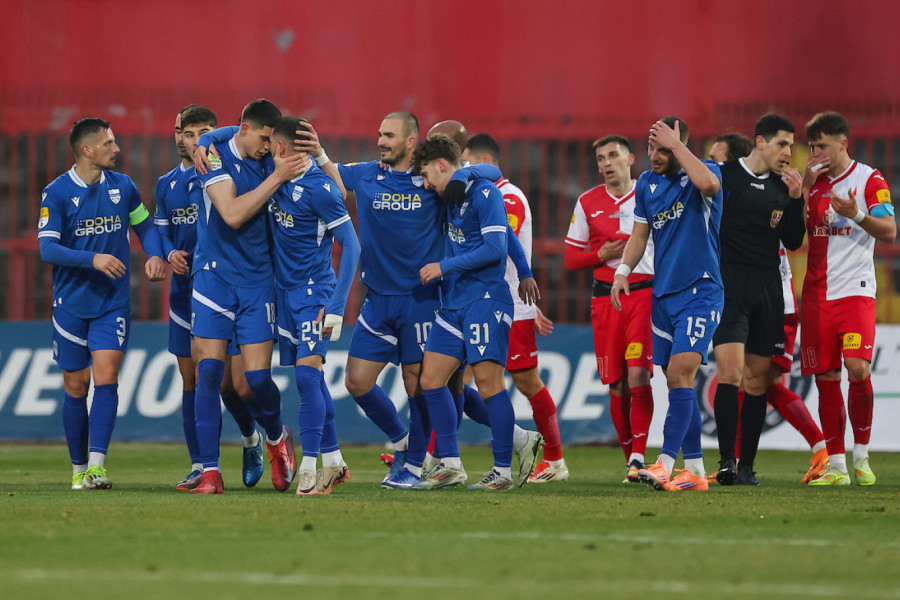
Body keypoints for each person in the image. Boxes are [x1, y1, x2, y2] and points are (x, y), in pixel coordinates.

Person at [38, 117, 166, 489]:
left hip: (113, 302)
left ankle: (97, 467)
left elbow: (144, 225)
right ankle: (78, 470)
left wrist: (155, 254)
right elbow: (48, 249)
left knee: (106, 378)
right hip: (71, 304)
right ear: (86, 150)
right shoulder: (57, 193)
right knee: (76, 386)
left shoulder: (123, 187)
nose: (116, 148)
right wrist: (92, 259)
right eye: (108, 143)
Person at [189, 99, 306, 494]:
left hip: (258, 282)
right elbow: (233, 214)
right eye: (263, 139)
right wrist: (276, 177)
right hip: (213, 279)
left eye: (273, 142)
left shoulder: (271, 157)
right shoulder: (214, 155)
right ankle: (210, 472)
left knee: (255, 380)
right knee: (209, 372)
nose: (268, 148)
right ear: (244, 129)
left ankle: (276, 435)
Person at [708, 131, 829, 485]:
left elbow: (792, 236)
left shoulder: (764, 189)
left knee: (764, 381)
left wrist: (801, 191)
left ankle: (819, 446)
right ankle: (735, 465)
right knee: (746, 379)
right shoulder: (727, 191)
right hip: (744, 293)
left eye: (716, 158)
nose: (711, 165)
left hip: (776, 299)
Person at [612, 116, 724, 492]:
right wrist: (623, 271)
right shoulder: (646, 183)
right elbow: (639, 235)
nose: (654, 156)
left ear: (679, 146)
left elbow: (710, 185)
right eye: (651, 147)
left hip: (700, 290)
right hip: (663, 296)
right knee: (677, 382)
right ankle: (695, 470)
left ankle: (664, 464)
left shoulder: (704, 172)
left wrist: (677, 146)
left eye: (663, 149)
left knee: (679, 374)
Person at [157, 105, 263, 491]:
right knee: (197, 378)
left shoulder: (226, 168)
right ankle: (202, 466)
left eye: (200, 133)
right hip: (187, 293)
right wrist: (166, 252)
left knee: (237, 385)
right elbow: (159, 230)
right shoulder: (166, 184)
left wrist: (212, 140)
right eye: (183, 132)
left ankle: (253, 435)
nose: (189, 140)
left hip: (226, 285)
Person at [411, 134, 519, 491]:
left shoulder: (485, 193)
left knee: (489, 386)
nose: (426, 184)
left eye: (427, 174)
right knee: (431, 380)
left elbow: (496, 247)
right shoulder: (450, 194)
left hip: (484, 299)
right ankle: (451, 464)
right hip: (453, 303)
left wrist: (444, 266)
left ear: (442, 165)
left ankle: (502, 472)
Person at [263, 116, 362, 495]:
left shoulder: (320, 189)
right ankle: (334, 461)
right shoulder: (274, 179)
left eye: (271, 145)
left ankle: (308, 467)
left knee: (306, 378)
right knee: (314, 380)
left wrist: (336, 306)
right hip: (285, 295)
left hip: (315, 295)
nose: (267, 151)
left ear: (281, 147)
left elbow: (352, 246)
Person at [463, 132, 568, 483]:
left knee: (526, 382)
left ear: (484, 163)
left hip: (508, 305)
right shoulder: (481, 195)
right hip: (481, 303)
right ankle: (430, 455)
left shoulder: (508, 197)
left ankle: (554, 459)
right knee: (453, 379)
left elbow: (498, 244)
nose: (463, 169)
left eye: (467, 162)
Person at [801, 111, 896, 486]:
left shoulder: (869, 179)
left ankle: (862, 456)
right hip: (816, 295)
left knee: (857, 368)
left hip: (855, 291)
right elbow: (799, 232)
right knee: (826, 377)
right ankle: (838, 467)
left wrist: (856, 214)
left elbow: (889, 231)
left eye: (822, 146)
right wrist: (803, 189)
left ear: (843, 143)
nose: (816, 154)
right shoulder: (815, 184)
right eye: (812, 147)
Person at [565, 135, 655, 483]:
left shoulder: (649, 194)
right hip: (605, 300)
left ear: (630, 159)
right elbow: (571, 258)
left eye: (613, 155)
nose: (606, 163)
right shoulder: (587, 202)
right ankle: (631, 461)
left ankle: (639, 455)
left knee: (638, 373)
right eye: (601, 158)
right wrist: (599, 255)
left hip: (642, 293)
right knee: (616, 384)